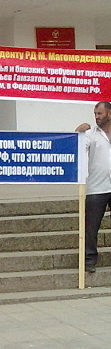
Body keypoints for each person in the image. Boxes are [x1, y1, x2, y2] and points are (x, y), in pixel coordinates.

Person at [75, 101, 111, 273]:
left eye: (100, 113)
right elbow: (77, 149)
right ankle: (89, 261)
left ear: (109, 113)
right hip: (97, 187)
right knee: (91, 226)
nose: (96, 117)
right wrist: (78, 133)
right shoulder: (90, 134)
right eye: (95, 113)